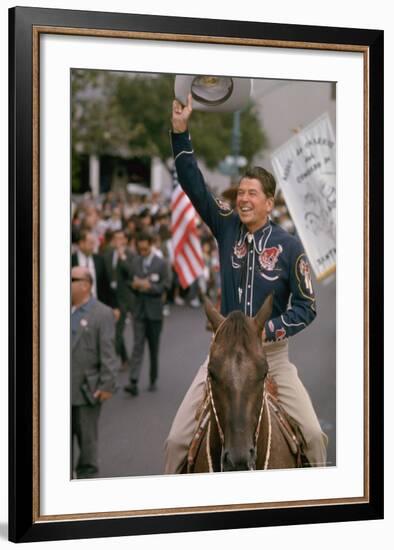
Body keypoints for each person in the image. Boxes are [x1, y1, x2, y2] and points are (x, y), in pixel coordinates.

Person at [164, 93, 328, 474]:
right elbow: (194, 184)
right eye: (240, 192)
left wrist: (269, 329)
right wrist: (180, 131)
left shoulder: (290, 248)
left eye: (252, 193)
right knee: (175, 442)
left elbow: (308, 306)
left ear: (270, 202)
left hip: (272, 358)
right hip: (221, 356)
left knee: (316, 436)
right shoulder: (225, 227)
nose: (243, 198)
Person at [71, 266, 119, 478]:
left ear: (86, 285)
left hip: (85, 391)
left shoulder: (102, 313)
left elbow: (108, 353)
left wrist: (107, 385)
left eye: (72, 279)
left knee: (87, 446)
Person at [124, 232, 169, 396]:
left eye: (144, 248)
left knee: (153, 347)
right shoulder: (135, 261)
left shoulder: (161, 263)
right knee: (137, 346)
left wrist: (150, 287)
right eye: (139, 248)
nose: (142, 251)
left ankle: (153, 378)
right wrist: (134, 285)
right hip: (139, 311)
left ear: (150, 245)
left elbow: (166, 285)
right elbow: (128, 281)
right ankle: (133, 381)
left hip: (155, 312)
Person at [103, 229, 136, 368]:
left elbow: (131, 273)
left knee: (118, 330)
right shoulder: (108, 254)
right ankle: (124, 358)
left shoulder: (130, 254)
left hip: (124, 299)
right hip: (111, 298)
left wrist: (122, 258)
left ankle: (109, 362)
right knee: (116, 329)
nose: (118, 241)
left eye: (121, 238)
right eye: (115, 238)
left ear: (125, 240)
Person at [71, 229, 110, 302]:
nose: (93, 246)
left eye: (94, 243)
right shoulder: (72, 260)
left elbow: (105, 285)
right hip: (76, 305)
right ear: (81, 243)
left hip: (97, 303)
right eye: (90, 243)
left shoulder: (100, 260)